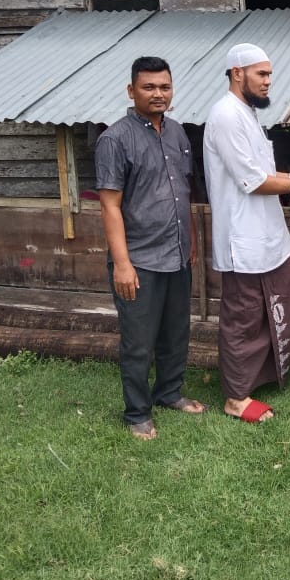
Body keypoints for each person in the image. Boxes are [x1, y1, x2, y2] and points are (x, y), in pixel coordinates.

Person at [204, 43, 290, 423]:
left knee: (280, 297)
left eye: (270, 74)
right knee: (243, 315)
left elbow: (263, 170)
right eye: (262, 74)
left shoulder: (248, 115)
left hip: (268, 233)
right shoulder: (225, 115)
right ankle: (236, 398)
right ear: (237, 73)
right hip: (243, 237)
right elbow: (251, 180)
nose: (268, 81)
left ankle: (264, 374)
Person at [96, 56, 206, 441]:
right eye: (149, 87)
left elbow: (183, 191)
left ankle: (169, 392)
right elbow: (109, 205)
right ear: (131, 91)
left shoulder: (177, 133)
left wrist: (189, 238)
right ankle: (137, 413)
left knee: (176, 332)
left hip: (176, 254)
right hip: (139, 259)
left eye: (165, 87)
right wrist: (122, 264)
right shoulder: (115, 139)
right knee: (139, 341)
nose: (158, 94)